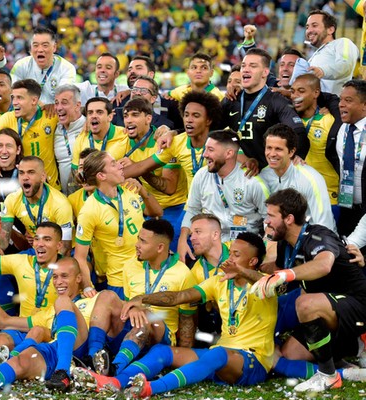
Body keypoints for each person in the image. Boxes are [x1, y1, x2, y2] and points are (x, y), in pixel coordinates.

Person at [74, 232, 275, 399]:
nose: (229, 260)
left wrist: (241, 271)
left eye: (236, 256)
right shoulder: (219, 281)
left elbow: (273, 285)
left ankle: (151, 388)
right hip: (220, 358)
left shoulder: (267, 283)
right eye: (229, 254)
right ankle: (114, 381)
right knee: (163, 351)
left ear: (253, 261)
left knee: (217, 354)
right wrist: (143, 298)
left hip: (252, 362)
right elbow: (180, 296)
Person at [256, 189, 366, 392]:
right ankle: (340, 362)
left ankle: (328, 375)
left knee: (305, 303)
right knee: (291, 355)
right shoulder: (284, 244)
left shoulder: (318, 235)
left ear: (289, 219)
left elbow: (324, 265)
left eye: (271, 215)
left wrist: (286, 274)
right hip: (330, 310)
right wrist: (246, 270)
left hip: (358, 305)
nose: (266, 221)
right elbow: (278, 274)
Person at [0, 257, 97, 392]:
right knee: (22, 360)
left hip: (80, 350)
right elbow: (4, 321)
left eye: (64, 276)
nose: (58, 282)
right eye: (55, 277)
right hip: (54, 350)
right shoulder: (49, 312)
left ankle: (63, 371)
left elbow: (108, 315)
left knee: (63, 301)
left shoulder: (94, 299)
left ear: (78, 278)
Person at [110, 219, 198, 376]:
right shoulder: (130, 266)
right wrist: (134, 308)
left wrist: (181, 357)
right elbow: (128, 303)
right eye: (138, 238)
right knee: (106, 297)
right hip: (133, 329)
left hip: (161, 335)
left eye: (143, 241)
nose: (137, 245)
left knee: (147, 316)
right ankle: (95, 355)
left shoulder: (183, 274)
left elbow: (187, 320)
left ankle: (116, 368)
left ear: (160, 247)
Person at [74, 151, 163, 299]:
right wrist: (87, 285)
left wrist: (142, 190)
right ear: (101, 176)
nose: (120, 166)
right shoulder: (89, 210)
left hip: (148, 271)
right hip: (121, 280)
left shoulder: (129, 189)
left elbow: (157, 212)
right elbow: (80, 256)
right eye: (113, 164)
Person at [178, 129, 268, 256]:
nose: (204, 155)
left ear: (229, 153)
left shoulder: (252, 181)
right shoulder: (201, 176)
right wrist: (182, 240)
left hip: (244, 248)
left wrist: (266, 247)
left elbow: (269, 218)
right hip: (212, 247)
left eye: (210, 150)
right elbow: (192, 210)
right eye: (205, 149)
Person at [115, 98, 188, 249]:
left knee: (170, 250)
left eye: (135, 115)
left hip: (174, 208)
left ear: (148, 118)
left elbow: (169, 188)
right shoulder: (122, 143)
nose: (129, 120)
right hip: (145, 207)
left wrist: (138, 170)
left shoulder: (164, 142)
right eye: (126, 116)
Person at [221, 48, 309, 168]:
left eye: (253, 66)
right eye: (243, 66)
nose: (246, 69)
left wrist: (297, 156)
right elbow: (210, 129)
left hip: (269, 172)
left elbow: (299, 132)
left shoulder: (276, 101)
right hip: (237, 171)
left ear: (265, 72)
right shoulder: (231, 99)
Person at [0, 79, 60, 189]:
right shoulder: (8, 118)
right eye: (13, 97)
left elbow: (76, 113)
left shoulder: (50, 116)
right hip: (23, 188)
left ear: (34, 100)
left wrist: (53, 106)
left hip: (51, 187)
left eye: (19, 98)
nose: (14, 102)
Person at [258, 124, 335, 228]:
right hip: (276, 233)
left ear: (291, 152)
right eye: (269, 148)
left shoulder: (311, 178)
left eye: (278, 149)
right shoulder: (263, 175)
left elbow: (324, 224)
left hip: (310, 235)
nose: (272, 154)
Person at [0, 156, 74, 255]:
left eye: (31, 172)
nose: (25, 177)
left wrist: (44, 264)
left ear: (43, 176)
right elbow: (3, 238)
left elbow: (65, 248)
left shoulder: (60, 203)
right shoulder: (12, 200)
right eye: (21, 173)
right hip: (36, 251)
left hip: (62, 253)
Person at [291, 74, 340, 209]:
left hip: (327, 197)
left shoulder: (330, 120)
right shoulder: (290, 120)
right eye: (292, 91)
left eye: (301, 91)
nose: (295, 96)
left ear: (316, 93)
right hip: (297, 197)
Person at [10, 27, 76, 105]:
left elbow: (64, 98)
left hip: (55, 111)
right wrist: (39, 105)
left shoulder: (67, 68)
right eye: (35, 45)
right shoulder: (21, 65)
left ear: (54, 47)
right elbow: (12, 92)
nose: (40, 50)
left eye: (45, 45)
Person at [334, 79, 366, 235]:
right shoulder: (343, 129)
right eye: (341, 100)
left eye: (348, 100)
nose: (341, 104)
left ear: (364, 105)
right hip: (346, 208)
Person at [305, 10, 358, 94]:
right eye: (307, 27)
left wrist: (322, 71)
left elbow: (345, 64)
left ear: (330, 29)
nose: (309, 30)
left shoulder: (343, 42)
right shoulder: (314, 56)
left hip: (334, 101)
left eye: (314, 25)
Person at [53, 85, 85, 194]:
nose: (59, 108)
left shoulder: (89, 127)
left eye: (64, 103)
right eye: (56, 103)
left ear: (77, 105)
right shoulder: (54, 129)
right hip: (64, 197)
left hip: (88, 196)